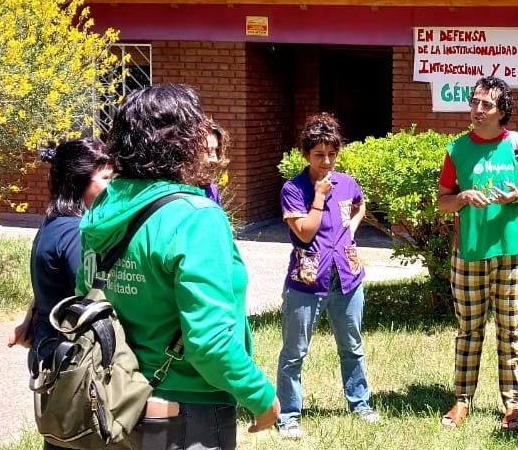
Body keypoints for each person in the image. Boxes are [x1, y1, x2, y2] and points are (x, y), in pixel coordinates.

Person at [78, 83, 278, 450]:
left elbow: (85, 300)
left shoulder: (104, 208)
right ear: (183, 140)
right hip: (186, 412)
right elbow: (210, 343)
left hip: (114, 401)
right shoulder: (195, 217)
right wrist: (261, 397)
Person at [435, 76, 518, 431]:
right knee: (469, 331)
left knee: (511, 331)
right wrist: (463, 198)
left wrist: (517, 197)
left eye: (486, 105)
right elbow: (442, 202)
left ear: (502, 111)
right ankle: (462, 401)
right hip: (469, 252)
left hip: (513, 252)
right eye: (474, 102)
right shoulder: (457, 149)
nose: (477, 110)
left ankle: (512, 404)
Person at [275, 113, 379, 439]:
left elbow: (360, 204)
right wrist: (318, 196)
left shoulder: (347, 183)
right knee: (295, 352)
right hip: (307, 280)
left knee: (352, 346)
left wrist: (352, 227)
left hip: (347, 277)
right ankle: (288, 415)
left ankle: (360, 404)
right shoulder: (294, 189)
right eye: (319, 155)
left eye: (332, 153)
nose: (327, 161)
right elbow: (305, 233)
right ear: (306, 154)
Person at [9, 139, 114, 450]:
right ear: (77, 181)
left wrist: (29, 318)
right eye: (107, 179)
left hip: (50, 350)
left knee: (61, 439)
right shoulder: (74, 233)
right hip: (71, 360)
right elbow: (90, 296)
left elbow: (50, 285)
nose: (114, 188)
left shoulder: (53, 222)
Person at [202, 120, 227, 205]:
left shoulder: (211, 190)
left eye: (216, 150)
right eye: (208, 150)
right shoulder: (169, 194)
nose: (215, 159)